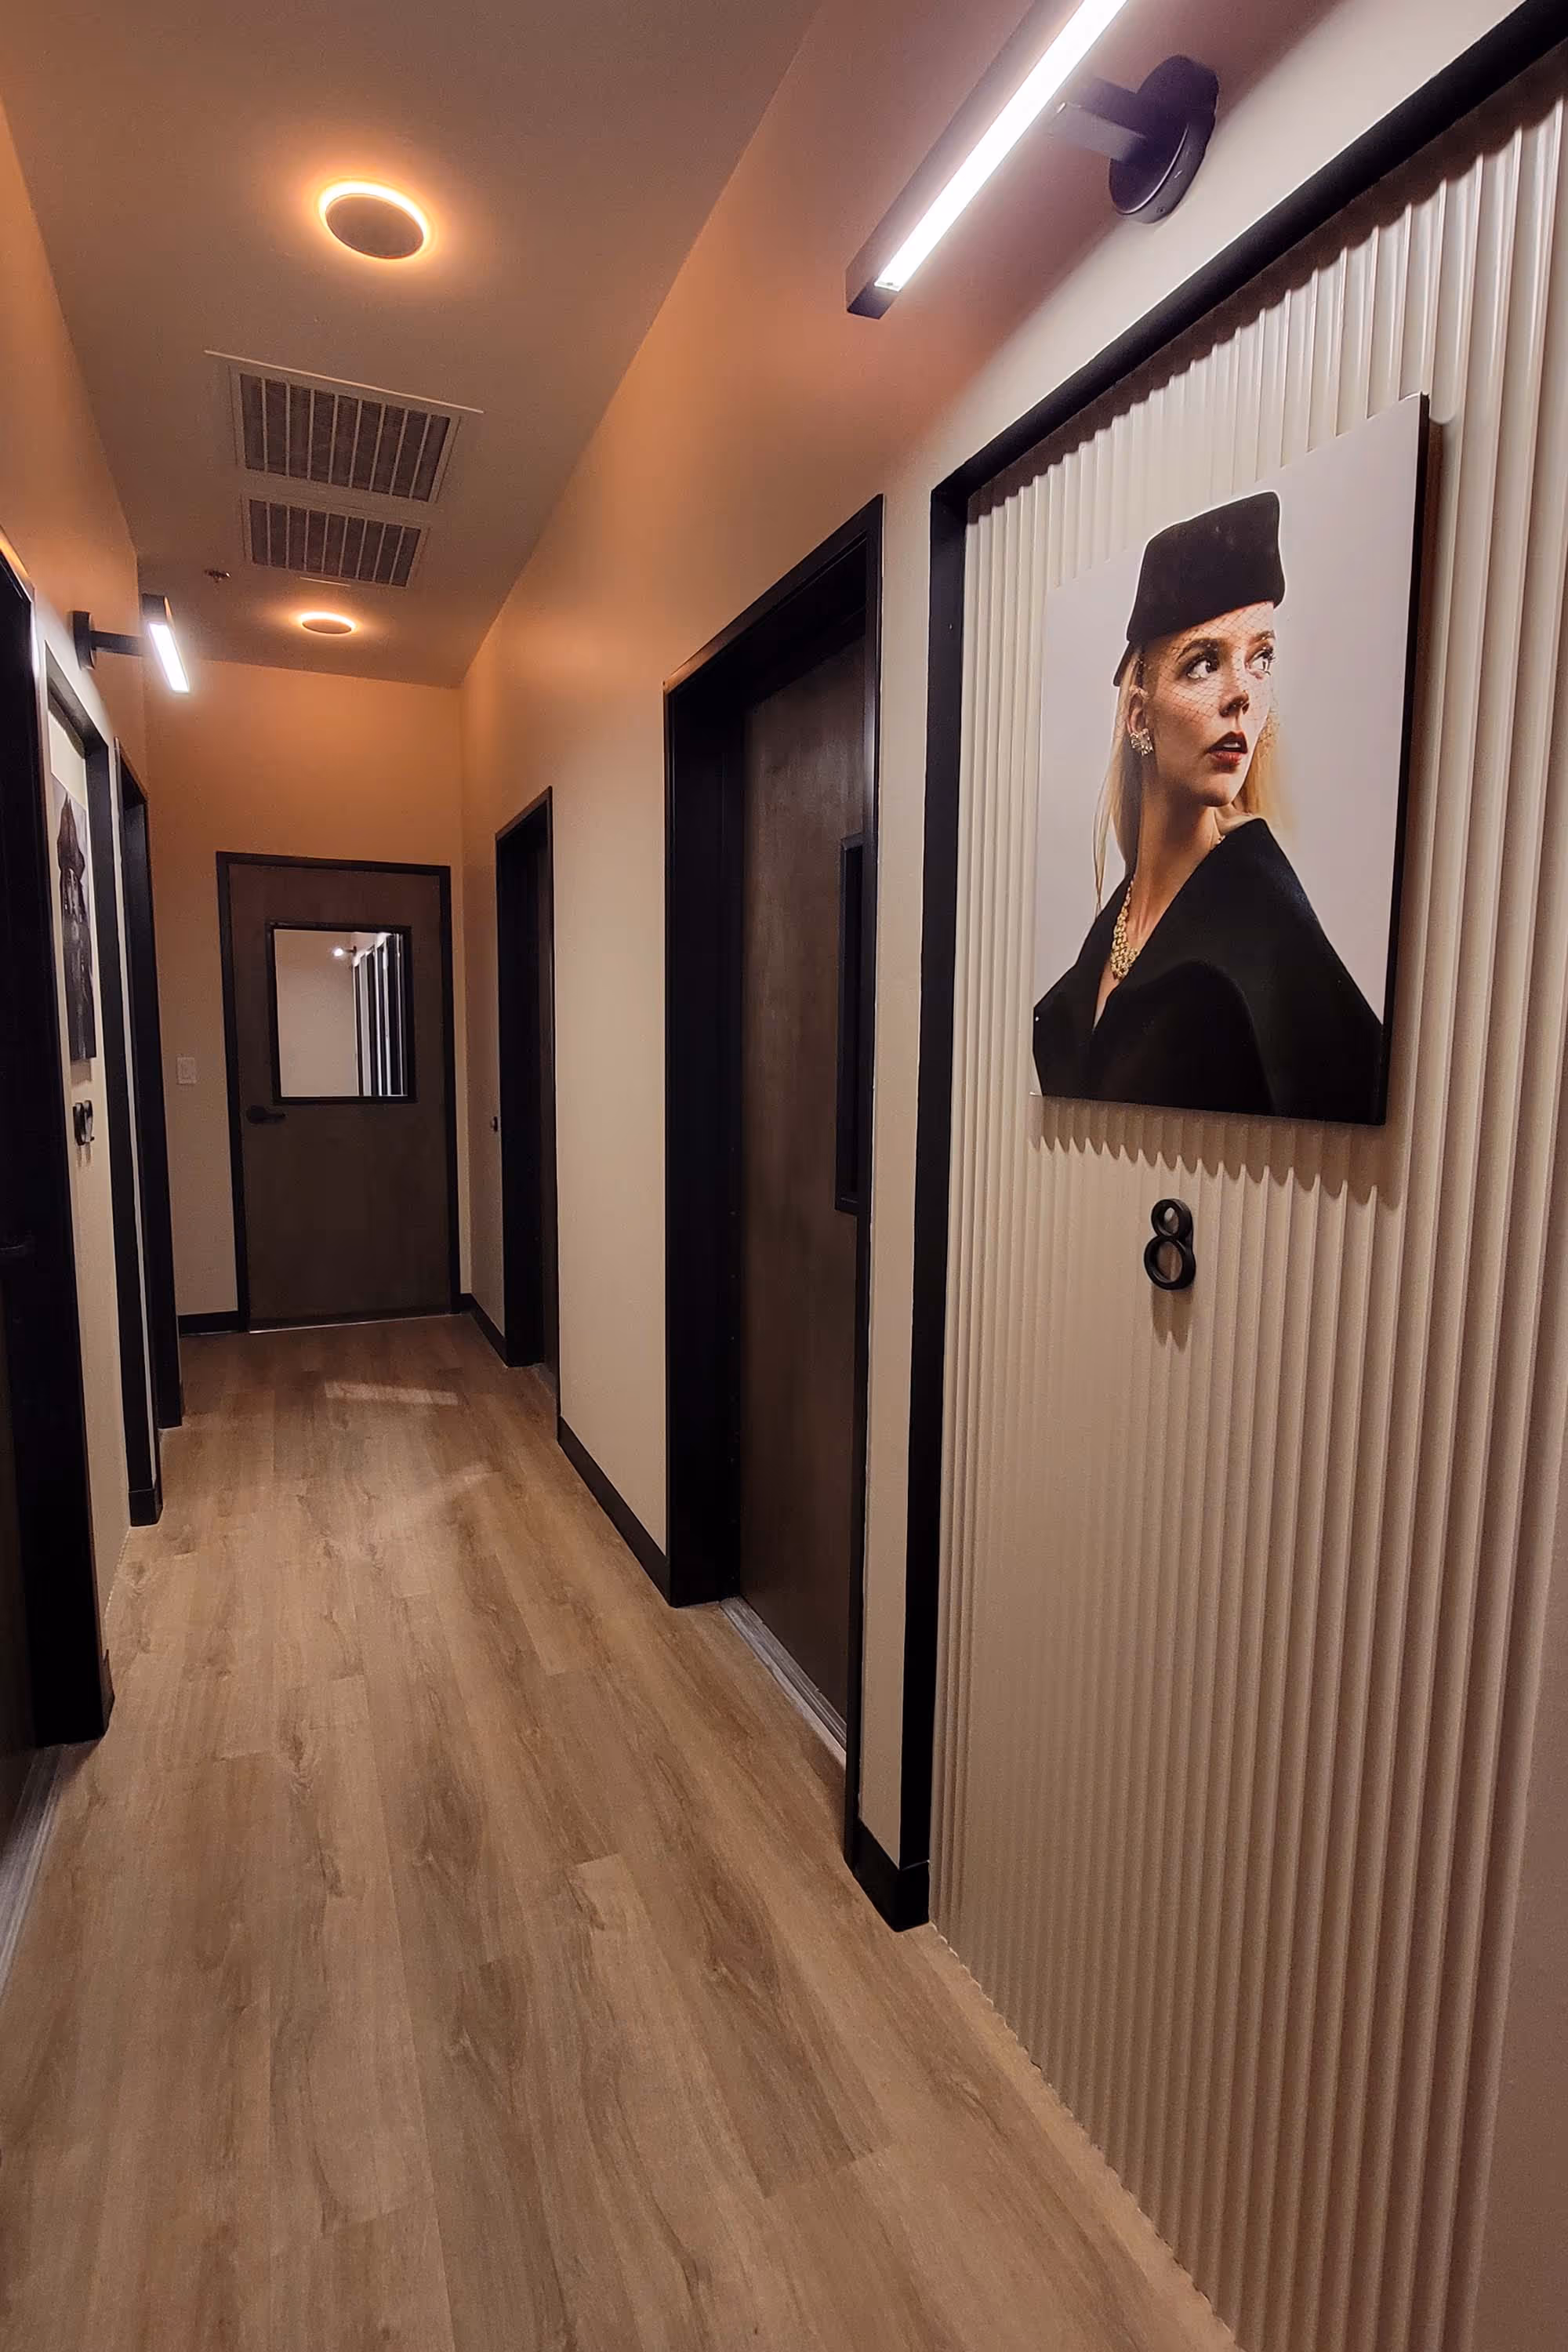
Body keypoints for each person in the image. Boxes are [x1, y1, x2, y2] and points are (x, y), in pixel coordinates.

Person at [1030, 490, 1382, 1123]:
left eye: (1261, 658)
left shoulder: (1265, 923)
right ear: (1141, 715)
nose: (1241, 695)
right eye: (1202, 664)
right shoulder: (1116, 926)